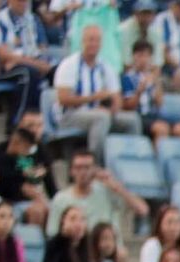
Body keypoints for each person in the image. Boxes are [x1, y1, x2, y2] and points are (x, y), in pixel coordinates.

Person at [53, 25, 141, 161]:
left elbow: (117, 98)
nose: (93, 44)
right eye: (90, 40)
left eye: (97, 40)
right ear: (82, 41)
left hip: (99, 113)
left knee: (132, 120)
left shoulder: (105, 67)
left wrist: (112, 109)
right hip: (70, 116)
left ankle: (130, 161)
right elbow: (63, 99)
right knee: (101, 118)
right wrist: (93, 98)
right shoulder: (69, 65)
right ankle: (96, 164)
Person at [46, 149, 148, 237]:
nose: (83, 172)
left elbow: (142, 210)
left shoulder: (106, 191)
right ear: (71, 171)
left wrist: (117, 187)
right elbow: (52, 232)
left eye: (87, 167)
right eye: (78, 167)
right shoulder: (60, 199)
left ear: (94, 169)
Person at [0, 0, 52, 128]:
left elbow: (43, 48)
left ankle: (45, 124)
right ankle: (17, 122)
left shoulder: (34, 20)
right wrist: (33, 63)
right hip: (2, 68)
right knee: (28, 74)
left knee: (56, 73)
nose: (23, 3)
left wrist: (40, 62)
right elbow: (3, 55)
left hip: (29, 63)